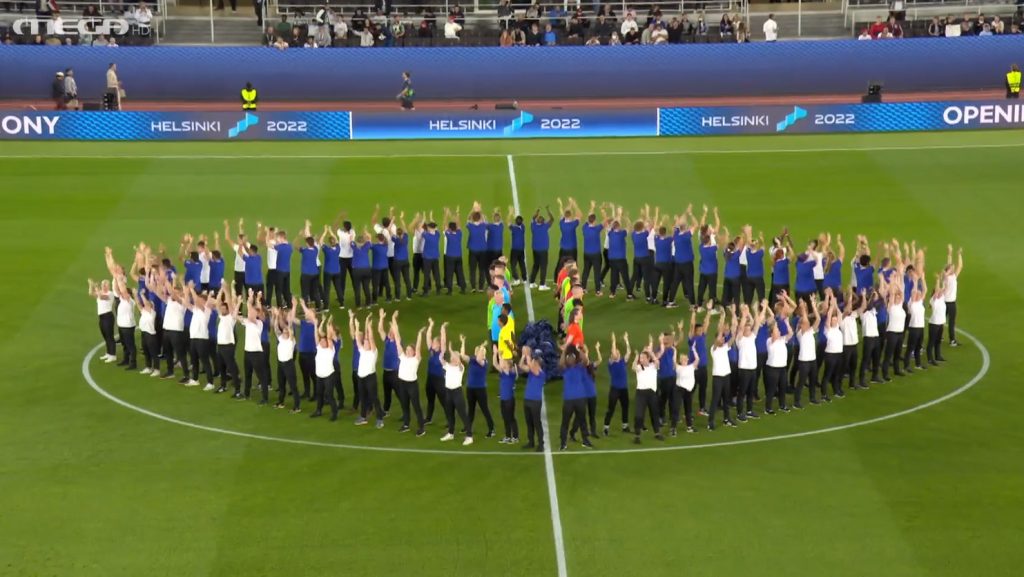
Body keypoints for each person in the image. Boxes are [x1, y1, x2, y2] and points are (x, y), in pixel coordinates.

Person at [440, 325, 473, 445]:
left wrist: (451, 350)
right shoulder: (448, 366)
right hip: (448, 392)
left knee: (462, 414)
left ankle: (469, 436)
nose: (453, 358)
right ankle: (450, 433)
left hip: (457, 393)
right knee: (450, 414)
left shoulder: (461, 367)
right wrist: (446, 348)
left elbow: (458, 361)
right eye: (452, 357)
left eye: (455, 357)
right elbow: (441, 359)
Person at [394, 319, 427, 436]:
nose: (407, 351)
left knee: (416, 406)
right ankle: (406, 424)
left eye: (410, 350)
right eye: (407, 350)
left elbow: (418, 348)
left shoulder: (416, 359)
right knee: (404, 404)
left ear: (413, 352)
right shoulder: (402, 357)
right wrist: (395, 327)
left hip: (412, 385)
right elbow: (398, 342)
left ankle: (421, 427)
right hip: (402, 383)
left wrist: (419, 334)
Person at [707, 309, 738, 430]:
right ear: (716, 339)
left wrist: (733, 331)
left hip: (726, 377)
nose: (723, 339)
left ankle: (727, 418)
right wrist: (722, 317)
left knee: (726, 399)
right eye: (721, 338)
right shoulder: (713, 349)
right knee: (715, 400)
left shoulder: (725, 347)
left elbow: (732, 338)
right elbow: (720, 332)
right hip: (718, 378)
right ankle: (710, 422)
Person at [558, 346, 593, 450]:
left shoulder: (580, 367)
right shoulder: (565, 369)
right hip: (568, 400)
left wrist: (578, 350)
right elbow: (560, 364)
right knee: (565, 422)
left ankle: (585, 440)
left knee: (582, 421)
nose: (570, 359)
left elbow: (586, 360)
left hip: (580, 398)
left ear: (575, 359)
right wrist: (564, 351)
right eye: (568, 358)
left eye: (572, 357)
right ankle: (563, 443)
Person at [354, 312, 385, 427]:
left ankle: (380, 419)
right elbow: (357, 339)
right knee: (362, 397)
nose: (366, 343)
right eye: (365, 342)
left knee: (374, 397)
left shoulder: (373, 352)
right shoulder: (362, 350)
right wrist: (357, 327)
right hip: (361, 377)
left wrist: (369, 327)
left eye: (367, 343)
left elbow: (371, 338)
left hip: (370, 378)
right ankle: (363, 417)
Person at [631, 338, 663, 443]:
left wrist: (650, 352)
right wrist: (636, 357)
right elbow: (633, 367)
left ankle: (657, 433)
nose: (641, 359)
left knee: (654, 413)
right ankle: (637, 435)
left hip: (652, 393)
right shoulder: (639, 368)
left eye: (643, 358)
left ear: (648, 358)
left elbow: (657, 361)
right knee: (639, 415)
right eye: (641, 358)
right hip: (641, 394)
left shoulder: (653, 366)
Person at [184, 282, 215, 389]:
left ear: (205, 302)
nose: (198, 301)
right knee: (194, 360)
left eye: (201, 300)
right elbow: (187, 303)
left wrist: (191, 289)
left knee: (205, 361)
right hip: (193, 338)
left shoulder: (206, 310)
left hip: (202, 339)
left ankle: (210, 382)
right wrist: (187, 291)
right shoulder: (196, 309)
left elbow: (196, 301)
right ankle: (195, 379)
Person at [271, 305, 301, 412]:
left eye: (286, 331)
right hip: (281, 364)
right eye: (283, 331)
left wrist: (288, 322)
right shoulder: (280, 338)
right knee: (281, 384)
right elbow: (276, 328)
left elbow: (290, 328)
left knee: (293, 386)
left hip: (289, 365)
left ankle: (297, 406)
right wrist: (276, 316)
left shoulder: (291, 340)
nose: (284, 332)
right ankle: (281, 402)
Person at [311, 316, 340, 421]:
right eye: (321, 341)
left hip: (328, 376)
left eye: (324, 341)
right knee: (319, 394)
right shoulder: (319, 348)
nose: (322, 342)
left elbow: (329, 337)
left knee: (329, 395)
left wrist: (328, 324)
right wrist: (316, 324)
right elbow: (316, 336)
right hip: (319, 376)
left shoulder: (330, 350)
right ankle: (318, 410)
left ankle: (334, 413)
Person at [466, 341, 496, 438]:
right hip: (470, 388)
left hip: (480, 390)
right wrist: (463, 342)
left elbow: (479, 358)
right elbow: (463, 356)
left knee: (484, 409)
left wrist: (482, 346)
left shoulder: (484, 362)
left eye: (481, 352)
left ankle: (491, 429)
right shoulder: (472, 360)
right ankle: (468, 427)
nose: (479, 353)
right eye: (478, 351)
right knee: (471, 409)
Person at [519, 346, 547, 451]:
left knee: (537, 423)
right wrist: (523, 356)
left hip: (535, 402)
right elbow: (521, 366)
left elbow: (531, 366)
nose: (533, 362)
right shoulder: (532, 370)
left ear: (538, 364)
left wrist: (527, 355)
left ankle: (541, 444)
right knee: (529, 423)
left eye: (535, 361)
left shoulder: (540, 373)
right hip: (527, 399)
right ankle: (531, 442)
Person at [603, 332, 631, 435]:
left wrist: (626, 340)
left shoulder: (623, 361)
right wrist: (613, 341)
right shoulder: (611, 363)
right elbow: (614, 353)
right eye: (615, 352)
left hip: (624, 389)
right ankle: (606, 427)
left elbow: (629, 352)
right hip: (615, 389)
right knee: (611, 408)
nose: (616, 353)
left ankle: (625, 426)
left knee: (625, 407)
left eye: (618, 352)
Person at [493, 344, 519, 444]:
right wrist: (495, 354)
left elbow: (510, 366)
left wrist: (502, 356)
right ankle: (508, 436)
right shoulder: (503, 373)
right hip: (503, 400)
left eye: (504, 364)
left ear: (508, 366)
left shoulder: (510, 374)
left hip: (509, 400)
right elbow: (495, 364)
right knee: (505, 418)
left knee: (511, 418)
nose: (502, 364)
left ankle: (515, 437)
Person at [672, 340, 699, 434]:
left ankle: (689, 427)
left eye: (685, 359)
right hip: (679, 390)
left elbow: (697, 359)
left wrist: (694, 349)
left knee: (688, 409)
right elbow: (673, 361)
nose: (684, 360)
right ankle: (673, 428)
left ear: (687, 360)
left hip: (688, 391)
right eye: (682, 359)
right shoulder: (678, 367)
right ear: (680, 361)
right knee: (676, 408)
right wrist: (675, 351)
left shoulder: (691, 367)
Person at [89, 279, 117, 363]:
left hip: (108, 316)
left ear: (108, 286)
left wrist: (96, 287)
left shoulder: (110, 294)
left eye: (105, 284)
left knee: (109, 336)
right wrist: (91, 285)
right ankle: (108, 353)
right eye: (103, 284)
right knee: (105, 335)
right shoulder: (100, 293)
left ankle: (113, 355)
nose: (104, 286)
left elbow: (101, 297)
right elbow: (91, 293)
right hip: (101, 317)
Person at [904, 276, 928, 372]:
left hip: (920, 327)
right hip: (914, 328)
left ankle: (918, 364)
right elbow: (913, 292)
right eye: (917, 294)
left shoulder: (920, 302)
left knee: (918, 347)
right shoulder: (911, 303)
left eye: (919, 294)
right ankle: (906, 366)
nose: (918, 294)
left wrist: (922, 278)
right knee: (910, 347)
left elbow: (925, 290)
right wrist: (915, 282)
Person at [378, 309, 400, 416]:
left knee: (399, 393)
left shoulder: (397, 342)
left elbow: (397, 332)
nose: (391, 332)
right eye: (390, 331)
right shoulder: (387, 340)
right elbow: (380, 330)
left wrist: (393, 319)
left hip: (394, 372)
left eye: (392, 331)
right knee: (387, 393)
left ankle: (405, 412)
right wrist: (381, 318)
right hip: (386, 371)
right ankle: (386, 411)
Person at [529, 206, 555, 291]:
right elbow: (552, 219)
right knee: (543, 267)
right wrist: (548, 210)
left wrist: (537, 211)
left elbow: (533, 218)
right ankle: (542, 285)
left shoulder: (533, 226)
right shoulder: (545, 226)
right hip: (543, 251)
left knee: (536, 265)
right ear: (544, 222)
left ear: (537, 221)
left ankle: (531, 282)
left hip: (535, 250)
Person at [442, 211, 467, 295]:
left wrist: (446, 215)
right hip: (458, 256)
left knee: (449, 273)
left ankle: (449, 290)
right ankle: (463, 288)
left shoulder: (448, 234)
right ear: (456, 227)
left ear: (449, 228)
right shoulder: (459, 233)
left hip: (450, 257)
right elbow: (459, 225)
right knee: (460, 272)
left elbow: (444, 226)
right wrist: (457, 215)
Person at [944, 245, 963, 346]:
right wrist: (950, 253)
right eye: (952, 268)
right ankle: (951, 340)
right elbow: (949, 265)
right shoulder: (947, 277)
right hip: (948, 303)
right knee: (949, 322)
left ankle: (945, 338)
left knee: (945, 321)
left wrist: (958, 254)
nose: (953, 268)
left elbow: (960, 266)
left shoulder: (952, 276)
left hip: (948, 302)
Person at [350, 232, 373, 308]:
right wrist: (366, 233)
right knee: (366, 287)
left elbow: (351, 240)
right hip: (366, 270)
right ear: (364, 242)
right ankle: (368, 304)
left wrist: (353, 235)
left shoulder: (354, 247)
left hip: (357, 270)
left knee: (357, 288)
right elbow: (369, 238)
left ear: (357, 242)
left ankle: (358, 305)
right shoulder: (366, 246)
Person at [420, 221, 442, 296]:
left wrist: (424, 221)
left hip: (427, 258)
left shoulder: (426, 235)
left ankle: (426, 291)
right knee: (436, 274)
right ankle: (438, 290)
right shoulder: (437, 234)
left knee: (426, 275)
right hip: (435, 257)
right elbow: (436, 229)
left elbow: (421, 229)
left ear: (429, 227)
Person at [508, 212, 527, 286]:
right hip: (521, 250)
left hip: (515, 250)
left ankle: (516, 279)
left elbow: (508, 222)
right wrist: (514, 216)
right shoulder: (523, 227)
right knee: (522, 264)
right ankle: (524, 279)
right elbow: (519, 222)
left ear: (515, 222)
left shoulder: (514, 228)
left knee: (513, 264)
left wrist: (510, 214)